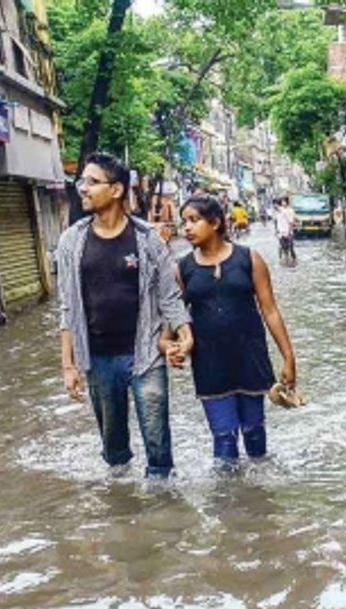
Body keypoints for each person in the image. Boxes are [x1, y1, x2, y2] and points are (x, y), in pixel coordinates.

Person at [55, 151, 194, 479]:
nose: (83, 189)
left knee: (158, 444)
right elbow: (67, 308)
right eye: (81, 182)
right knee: (114, 451)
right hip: (99, 358)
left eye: (92, 182)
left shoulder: (148, 240)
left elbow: (169, 298)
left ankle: (163, 513)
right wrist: (68, 365)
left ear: (116, 190)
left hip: (146, 355)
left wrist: (185, 335)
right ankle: (121, 508)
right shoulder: (71, 241)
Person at [167, 195, 297, 465]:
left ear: (214, 223)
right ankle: (229, 502)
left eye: (194, 220)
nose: (186, 228)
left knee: (254, 433)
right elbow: (174, 318)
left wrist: (288, 357)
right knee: (224, 439)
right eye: (184, 222)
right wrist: (171, 347)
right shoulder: (182, 269)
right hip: (209, 363)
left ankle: (258, 498)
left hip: (250, 357)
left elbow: (270, 310)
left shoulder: (249, 259)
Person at [273, 198, 297, 263]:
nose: (274, 206)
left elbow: (291, 222)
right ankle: (284, 261)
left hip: (288, 233)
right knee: (283, 248)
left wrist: (289, 233)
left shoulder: (287, 211)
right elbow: (276, 223)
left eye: (276, 205)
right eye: (274, 205)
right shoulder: (276, 213)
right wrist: (276, 231)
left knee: (291, 248)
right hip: (281, 233)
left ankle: (294, 260)